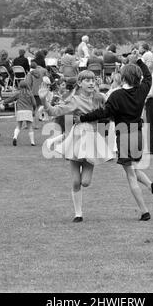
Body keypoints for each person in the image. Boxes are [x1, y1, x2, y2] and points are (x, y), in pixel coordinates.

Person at [77, 54, 153, 221]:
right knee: (134, 168)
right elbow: (148, 76)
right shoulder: (142, 90)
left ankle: (144, 211)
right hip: (139, 134)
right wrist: (139, 60)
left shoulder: (116, 95)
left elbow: (103, 113)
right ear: (138, 77)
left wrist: (83, 118)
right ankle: (151, 185)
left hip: (124, 135)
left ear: (123, 77)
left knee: (130, 175)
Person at [40, 70, 114, 223]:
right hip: (76, 138)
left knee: (85, 182)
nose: (91, 83)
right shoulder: (74, 100)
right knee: (75, 182)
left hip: (92, 138)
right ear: (80, 83)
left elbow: (110, 112)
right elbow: (55, 111)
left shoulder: (100, 98)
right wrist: (43, 100)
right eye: (87, 80)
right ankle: (78, 213)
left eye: (93, 80)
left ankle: (61, 140)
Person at [2, 80, 37, 147]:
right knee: (30, 127)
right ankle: (32, 142)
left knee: (18, 126)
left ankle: (15, 137)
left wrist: (4, 101)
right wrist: (34, 110)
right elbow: (34, 103)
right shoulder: (30, 93)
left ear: (19, 86)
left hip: (20, 111)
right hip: (28, 111)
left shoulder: (18, 93)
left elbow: (11, 99)